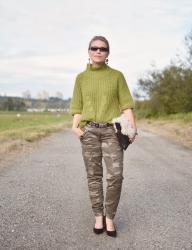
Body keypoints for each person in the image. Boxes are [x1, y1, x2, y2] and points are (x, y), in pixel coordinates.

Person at [70, 35, 137, 237]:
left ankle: (110, 217)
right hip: (89, 131)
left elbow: (126, 103)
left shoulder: (117, 76)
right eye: (94, 48)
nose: (98, 51)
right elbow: (77, 106)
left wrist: (132, 127)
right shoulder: (81, 78)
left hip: (111, 132)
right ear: (88, 51)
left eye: (103, 48)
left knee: (116, 176)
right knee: (94, 176)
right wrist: (76, 128)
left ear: (108, 53)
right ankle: (98, 216)